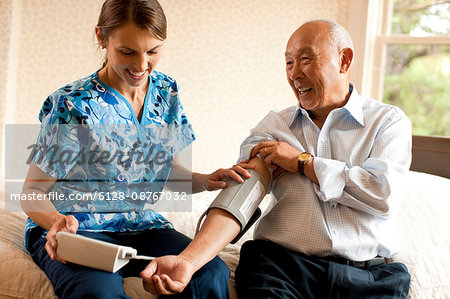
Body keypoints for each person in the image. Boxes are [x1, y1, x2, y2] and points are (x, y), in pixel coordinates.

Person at [140, 19, 412, 298]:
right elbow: (240, 198)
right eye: (289, 63)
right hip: (282, 269)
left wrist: (304, 163)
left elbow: (383, 194)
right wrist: (188, 261)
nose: (295, 73)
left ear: (344, 60)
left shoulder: (387, 122)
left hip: (371, 277)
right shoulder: (273, 129)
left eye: (305, 59)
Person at [20, 0, 250, 298]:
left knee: (209, 273)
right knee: (97, 291)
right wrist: (56, 222)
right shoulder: (71, 104)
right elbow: (31, 193)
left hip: (139, 226)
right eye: (127, 52)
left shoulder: (166, 92)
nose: (141, 66)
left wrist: (207, 180)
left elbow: (168, 173)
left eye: (153, 52)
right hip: (78, 230)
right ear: (102, 39)